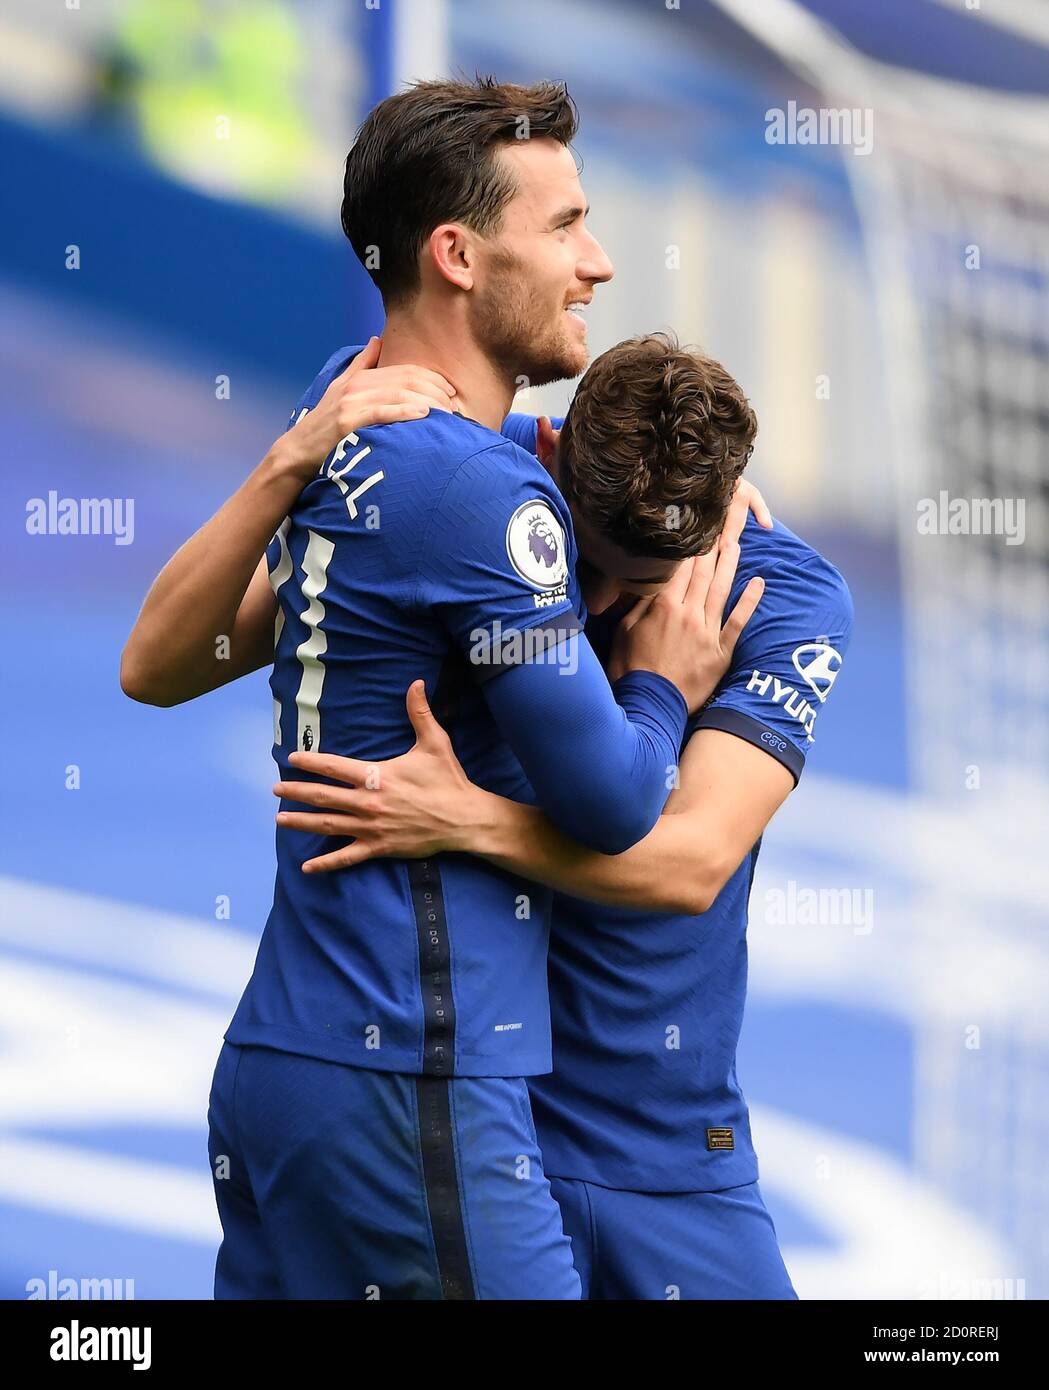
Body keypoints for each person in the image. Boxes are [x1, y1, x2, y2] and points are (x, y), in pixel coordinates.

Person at [120, 78, 765, 1300]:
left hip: (282, 1060)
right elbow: (620, 801)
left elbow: (157, 666)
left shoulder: (350, 399)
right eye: (565, 226)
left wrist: (283, 458)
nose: (599, 262)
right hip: (409, 1071)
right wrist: (667, 682)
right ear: (458, 254)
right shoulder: (484, 503)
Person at [278, 332, 854, 1300]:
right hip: (471, 1122)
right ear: (550, 457)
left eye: (627, 587)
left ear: (719, 518)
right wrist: (290, 456)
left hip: (672, 1146)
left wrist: (465, 819)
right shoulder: (465, 505)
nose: (583, 601)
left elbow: (688, 864)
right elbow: (178, 658)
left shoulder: (783, 593)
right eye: (580, 564)